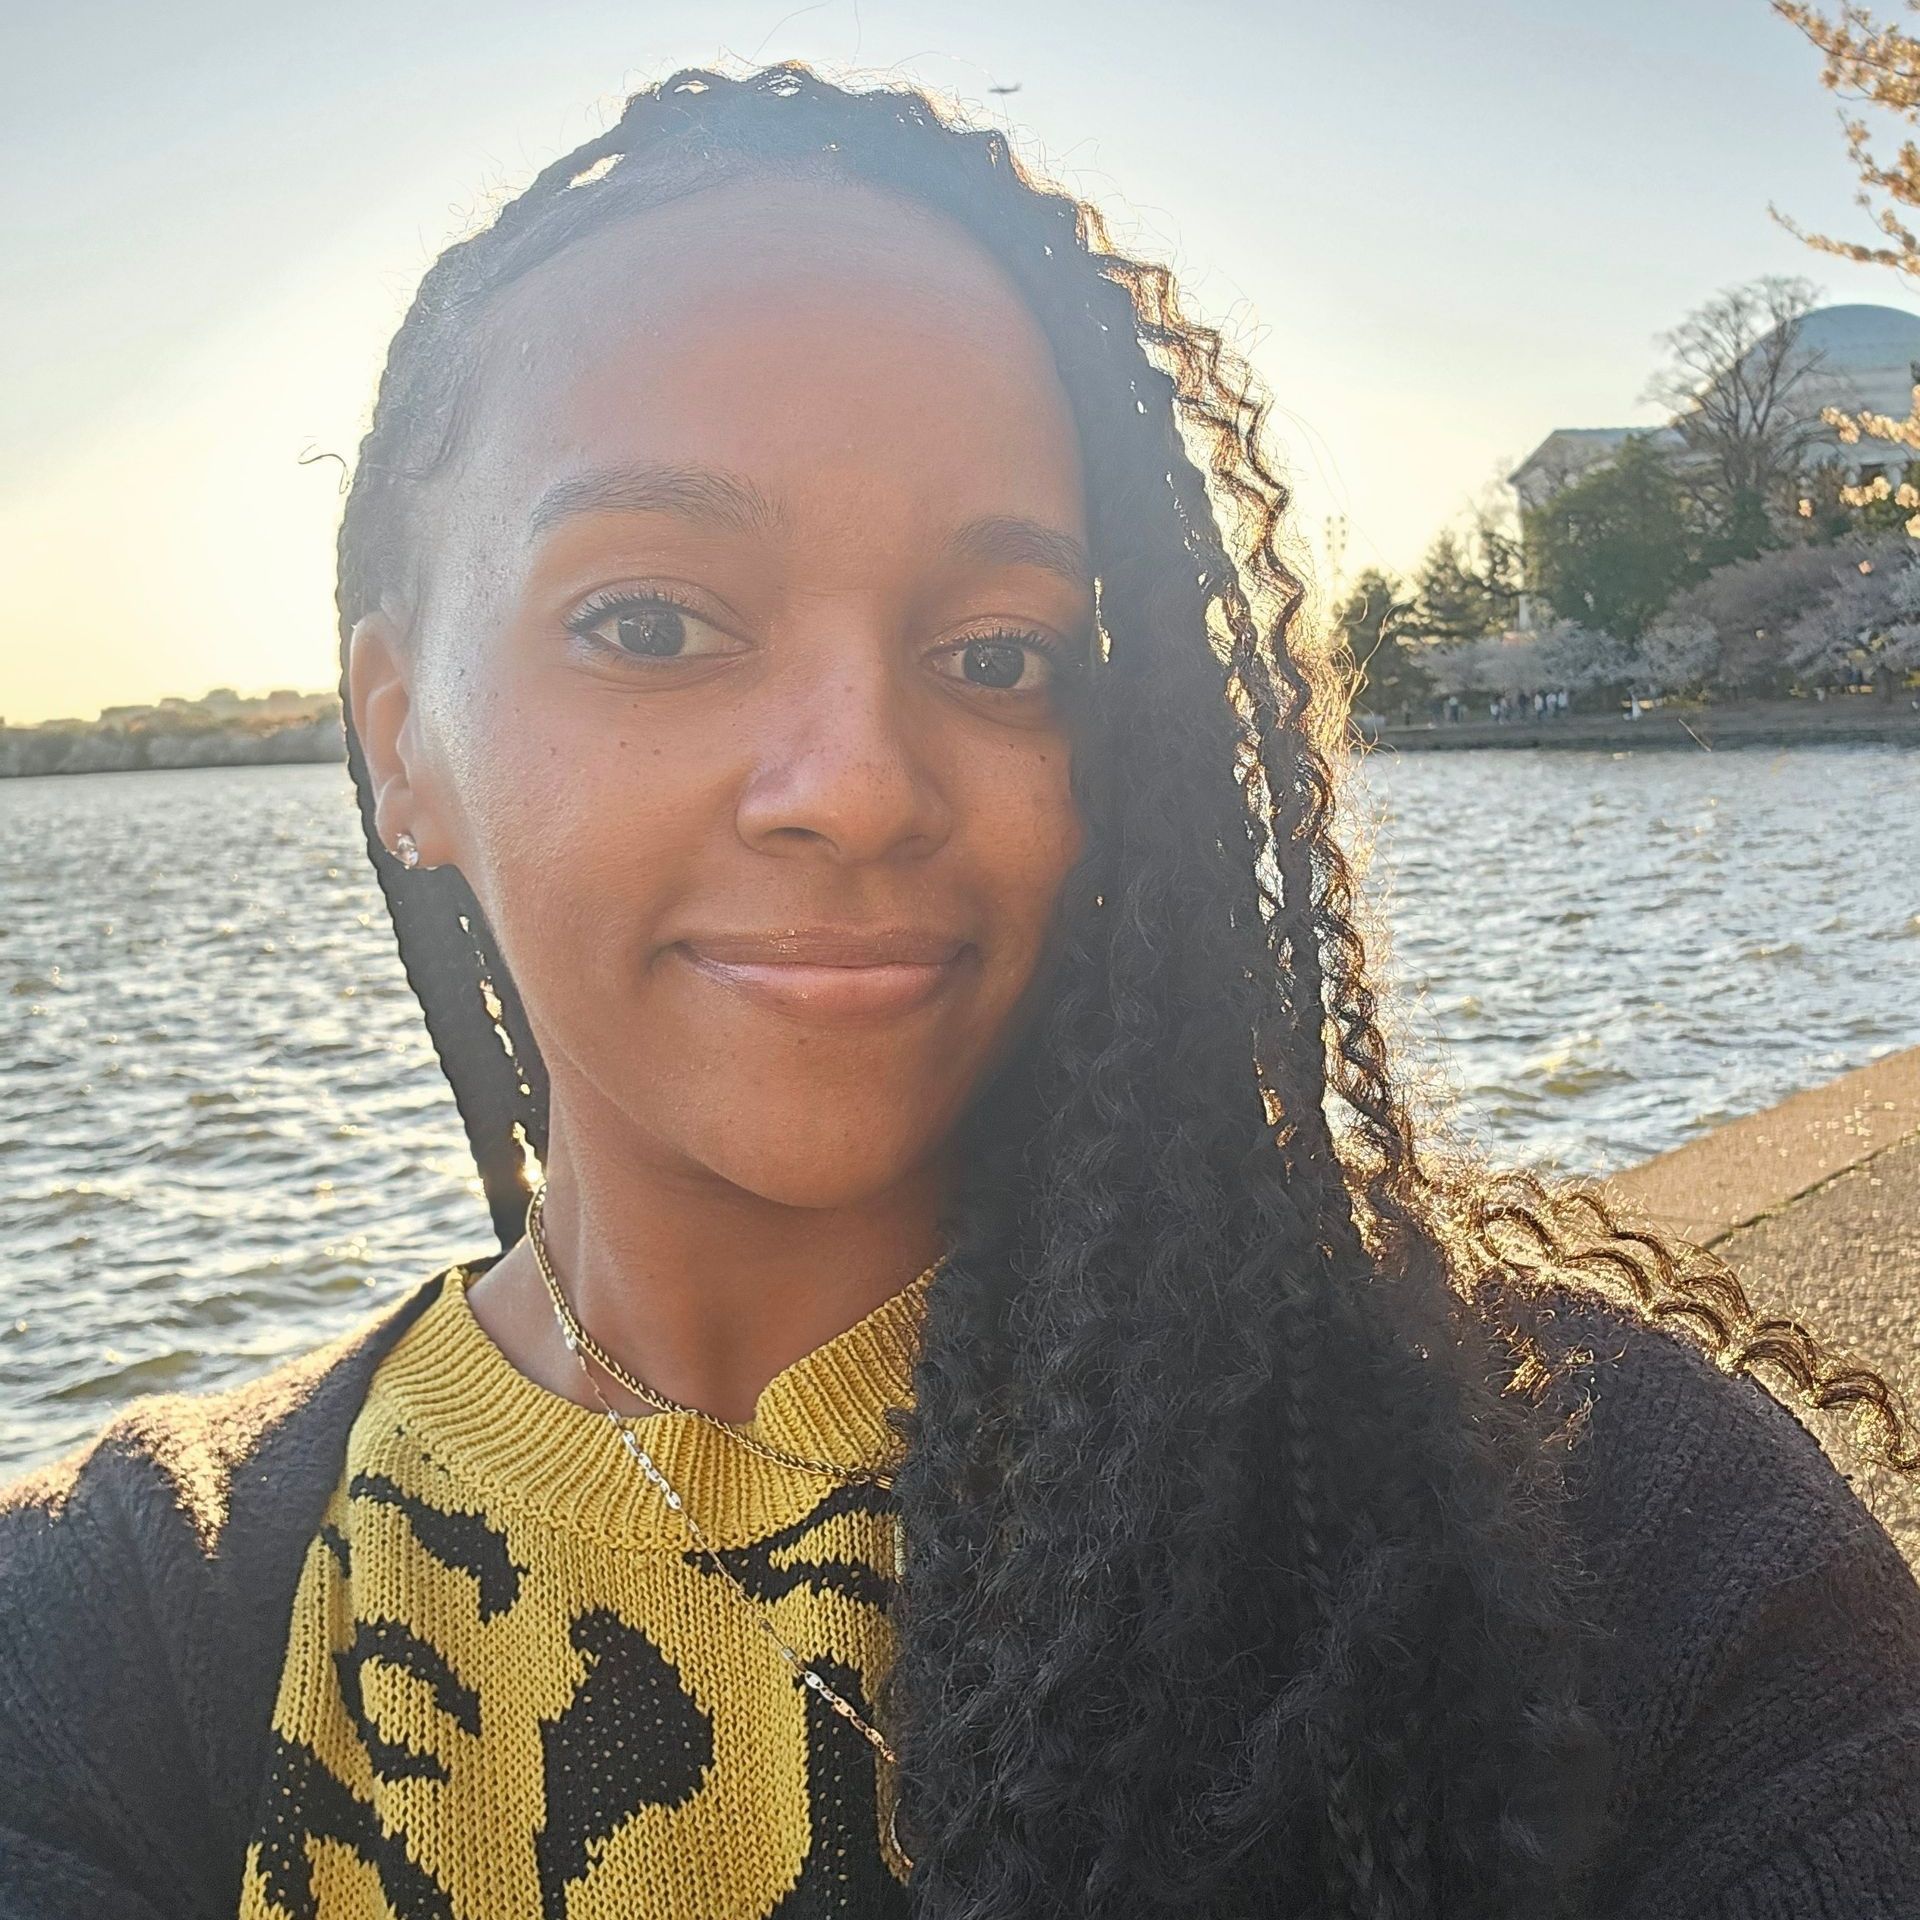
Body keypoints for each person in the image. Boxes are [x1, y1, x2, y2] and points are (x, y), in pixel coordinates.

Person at [4, 63, 1919, 1920]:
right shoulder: (122, 1638)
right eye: (651, 624)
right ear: (401, 734)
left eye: (1000, 654)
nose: (854, 782)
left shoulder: (1611, 1532)